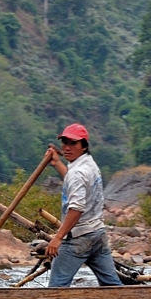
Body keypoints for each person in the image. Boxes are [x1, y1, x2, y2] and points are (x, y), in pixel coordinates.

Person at [43, 123, 122, 288]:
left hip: (78, 239)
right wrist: (57, 163)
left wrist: (58, 238)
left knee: (57, 288)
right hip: (97, 234)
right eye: (64, 142)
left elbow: (77, 208)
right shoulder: (89, 165)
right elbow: (74, 183)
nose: (67, 147)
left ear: (84, 146)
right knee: (112, 286)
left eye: (73, 143)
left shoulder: (77, 173)